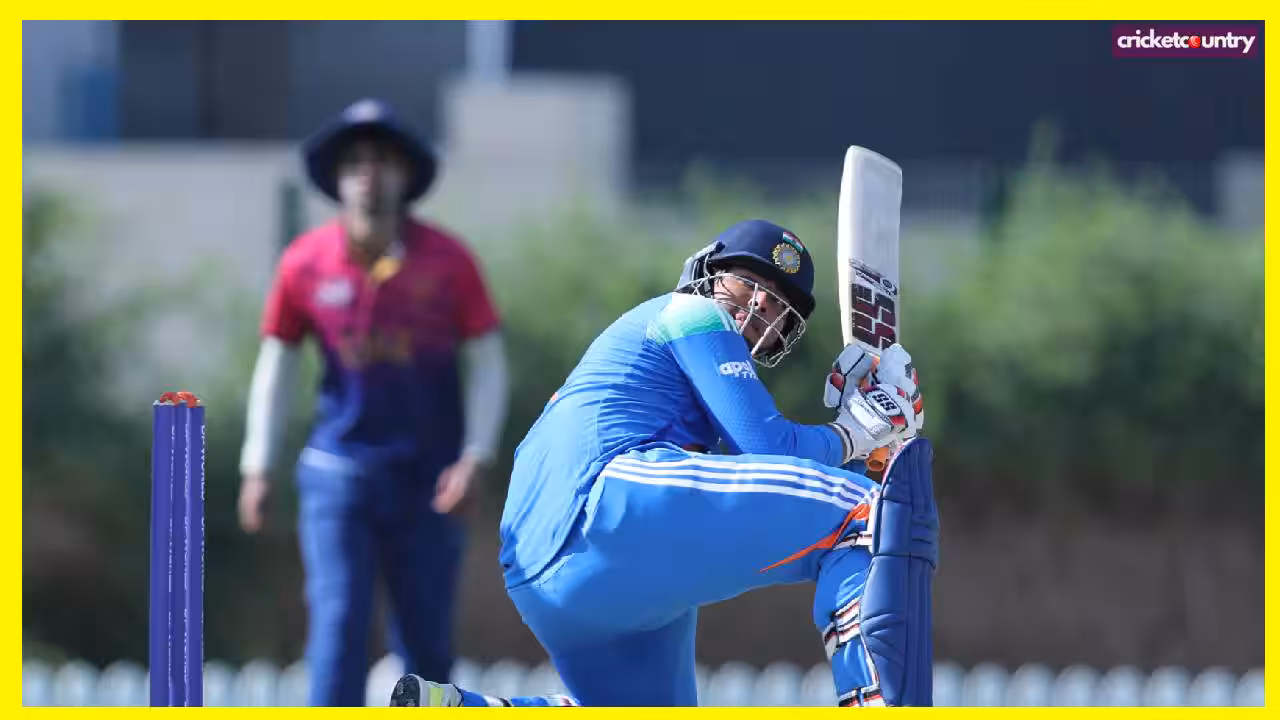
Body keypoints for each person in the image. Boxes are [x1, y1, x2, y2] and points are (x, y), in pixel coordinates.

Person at [388, 219, 937, 708]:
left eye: (777, 303)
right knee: (871, 514)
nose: (759, 304)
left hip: (543, 574)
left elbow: (776, 488)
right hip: (597, 502)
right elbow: (773, 451)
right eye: (749, 281)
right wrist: (861, 426)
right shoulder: (691, 312)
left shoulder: (685, 386)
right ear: (709, 274)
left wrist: (872, 443)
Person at [237, 98, 510, 707]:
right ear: (336, 177)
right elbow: (277, 365)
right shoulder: (304, 263)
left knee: (427, 648)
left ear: (406, 175)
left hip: (430, 480)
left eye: (384, 160)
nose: (369, 174)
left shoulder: (449, 262)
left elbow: (489, 361)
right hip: (338, 473)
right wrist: (257, 466)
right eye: (356, 161)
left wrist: (475, 458)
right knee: (338, 628)